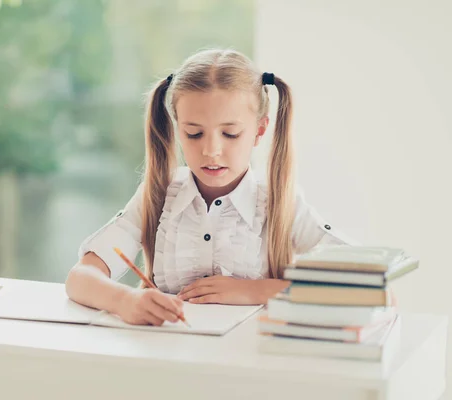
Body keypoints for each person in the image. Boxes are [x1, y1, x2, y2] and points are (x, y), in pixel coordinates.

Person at [65, 48, 351, 326]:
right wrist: (125, 301)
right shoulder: (159, 193)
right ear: (178, 130)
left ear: (259, 131)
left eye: (230, 134)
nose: (211, 150)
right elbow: (80, 279)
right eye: (194, 133)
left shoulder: (280, 202)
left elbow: (357, 284)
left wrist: (255, 291)